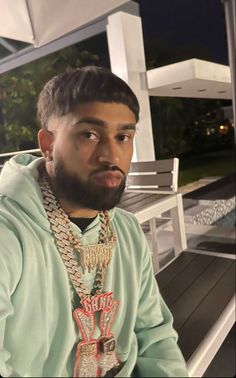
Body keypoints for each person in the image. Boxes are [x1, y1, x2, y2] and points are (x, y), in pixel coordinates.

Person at [0, 66, 188, 377]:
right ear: (47, 144)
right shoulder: (10, 232)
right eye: (89, 134)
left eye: (123, 136)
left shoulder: (126, 230)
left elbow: (155, 336)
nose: (111, 155)